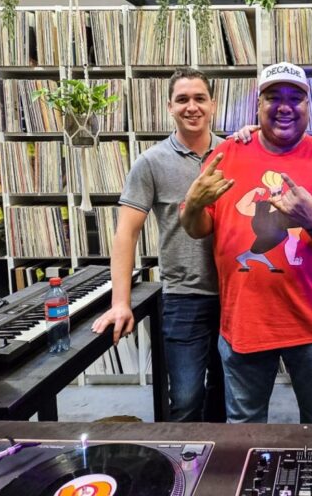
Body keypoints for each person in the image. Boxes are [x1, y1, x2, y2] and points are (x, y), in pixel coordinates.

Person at [180, 62, 312, 424]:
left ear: (308, 106)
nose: (284, 106)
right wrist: (193, 206)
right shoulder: (228, 154)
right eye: (274, 97)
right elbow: (197, 229)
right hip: (244, 322)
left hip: (309, 324)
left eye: (295, 98)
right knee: (244, 426)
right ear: (258, 105)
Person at [92, 67, 226, 423]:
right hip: (183, 297)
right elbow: (126, 233)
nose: (191, 107)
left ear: (213, 104)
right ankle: (186, 458)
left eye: (199, 98)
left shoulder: (233, 154)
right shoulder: (150, 162)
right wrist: (120, 302)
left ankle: (217, 458)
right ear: (170, 106)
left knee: (226, 394)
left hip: (234, 296)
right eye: (182, 99)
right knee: (186, 399)